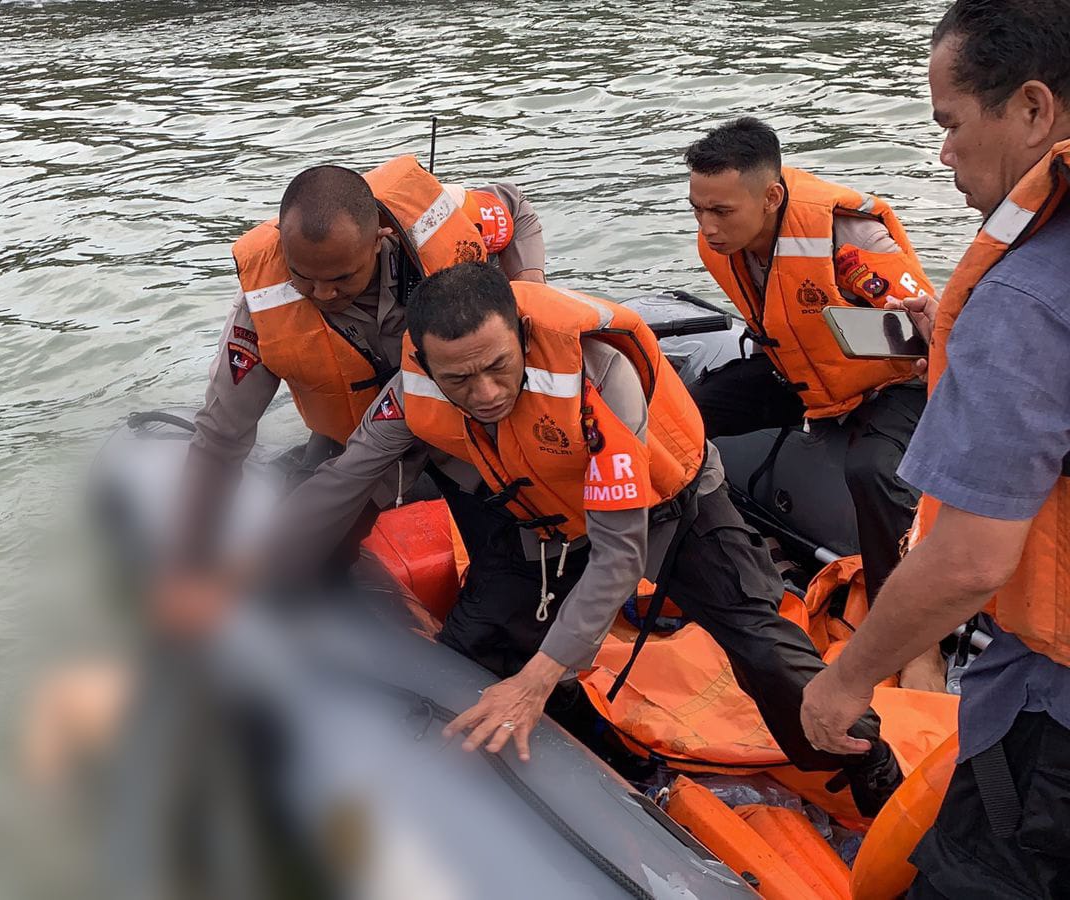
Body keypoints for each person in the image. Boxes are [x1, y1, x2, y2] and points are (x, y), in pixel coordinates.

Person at [255, 262, 904, 815]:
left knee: (763, 647)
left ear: (522, 336)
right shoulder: (416, 389)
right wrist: (244, 576)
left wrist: (537, 678)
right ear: (425, 363)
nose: (482, 394)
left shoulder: (595, 376)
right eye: (459, 380)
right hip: (551, 520)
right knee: (481, 647)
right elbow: (342, 482)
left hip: (671, 514)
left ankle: (873, 773)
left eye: (497, 369)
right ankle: (613, 755)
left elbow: (621, 551)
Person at [801, 1, 1070, 896]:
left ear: (1034, 109)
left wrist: (846, 681)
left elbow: (967, 561)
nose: (944, 155)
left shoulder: (1026, 297)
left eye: (952, 124)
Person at [168, 158, 547, 579]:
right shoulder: (263, 306)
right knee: (300, 570)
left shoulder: (436, 223)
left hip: (466, 427)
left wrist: (529, 295)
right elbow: (221, 434)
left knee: (517, 572)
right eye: (304, 278)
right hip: (359, 438)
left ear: (379, 239)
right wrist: (190, 560)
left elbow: (513, 207)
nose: (324, 293)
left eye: (343, 278)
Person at [684, 118, 948, 690]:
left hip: (888, 385)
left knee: (875, 472)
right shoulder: (722, 242)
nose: (707, 226)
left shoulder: (850, 238)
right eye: (697, 210)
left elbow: (931, 329)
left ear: (772, 196)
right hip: (799, 372)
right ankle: (714, 558)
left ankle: (917, 645)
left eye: (721, 211)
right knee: (681, 416)